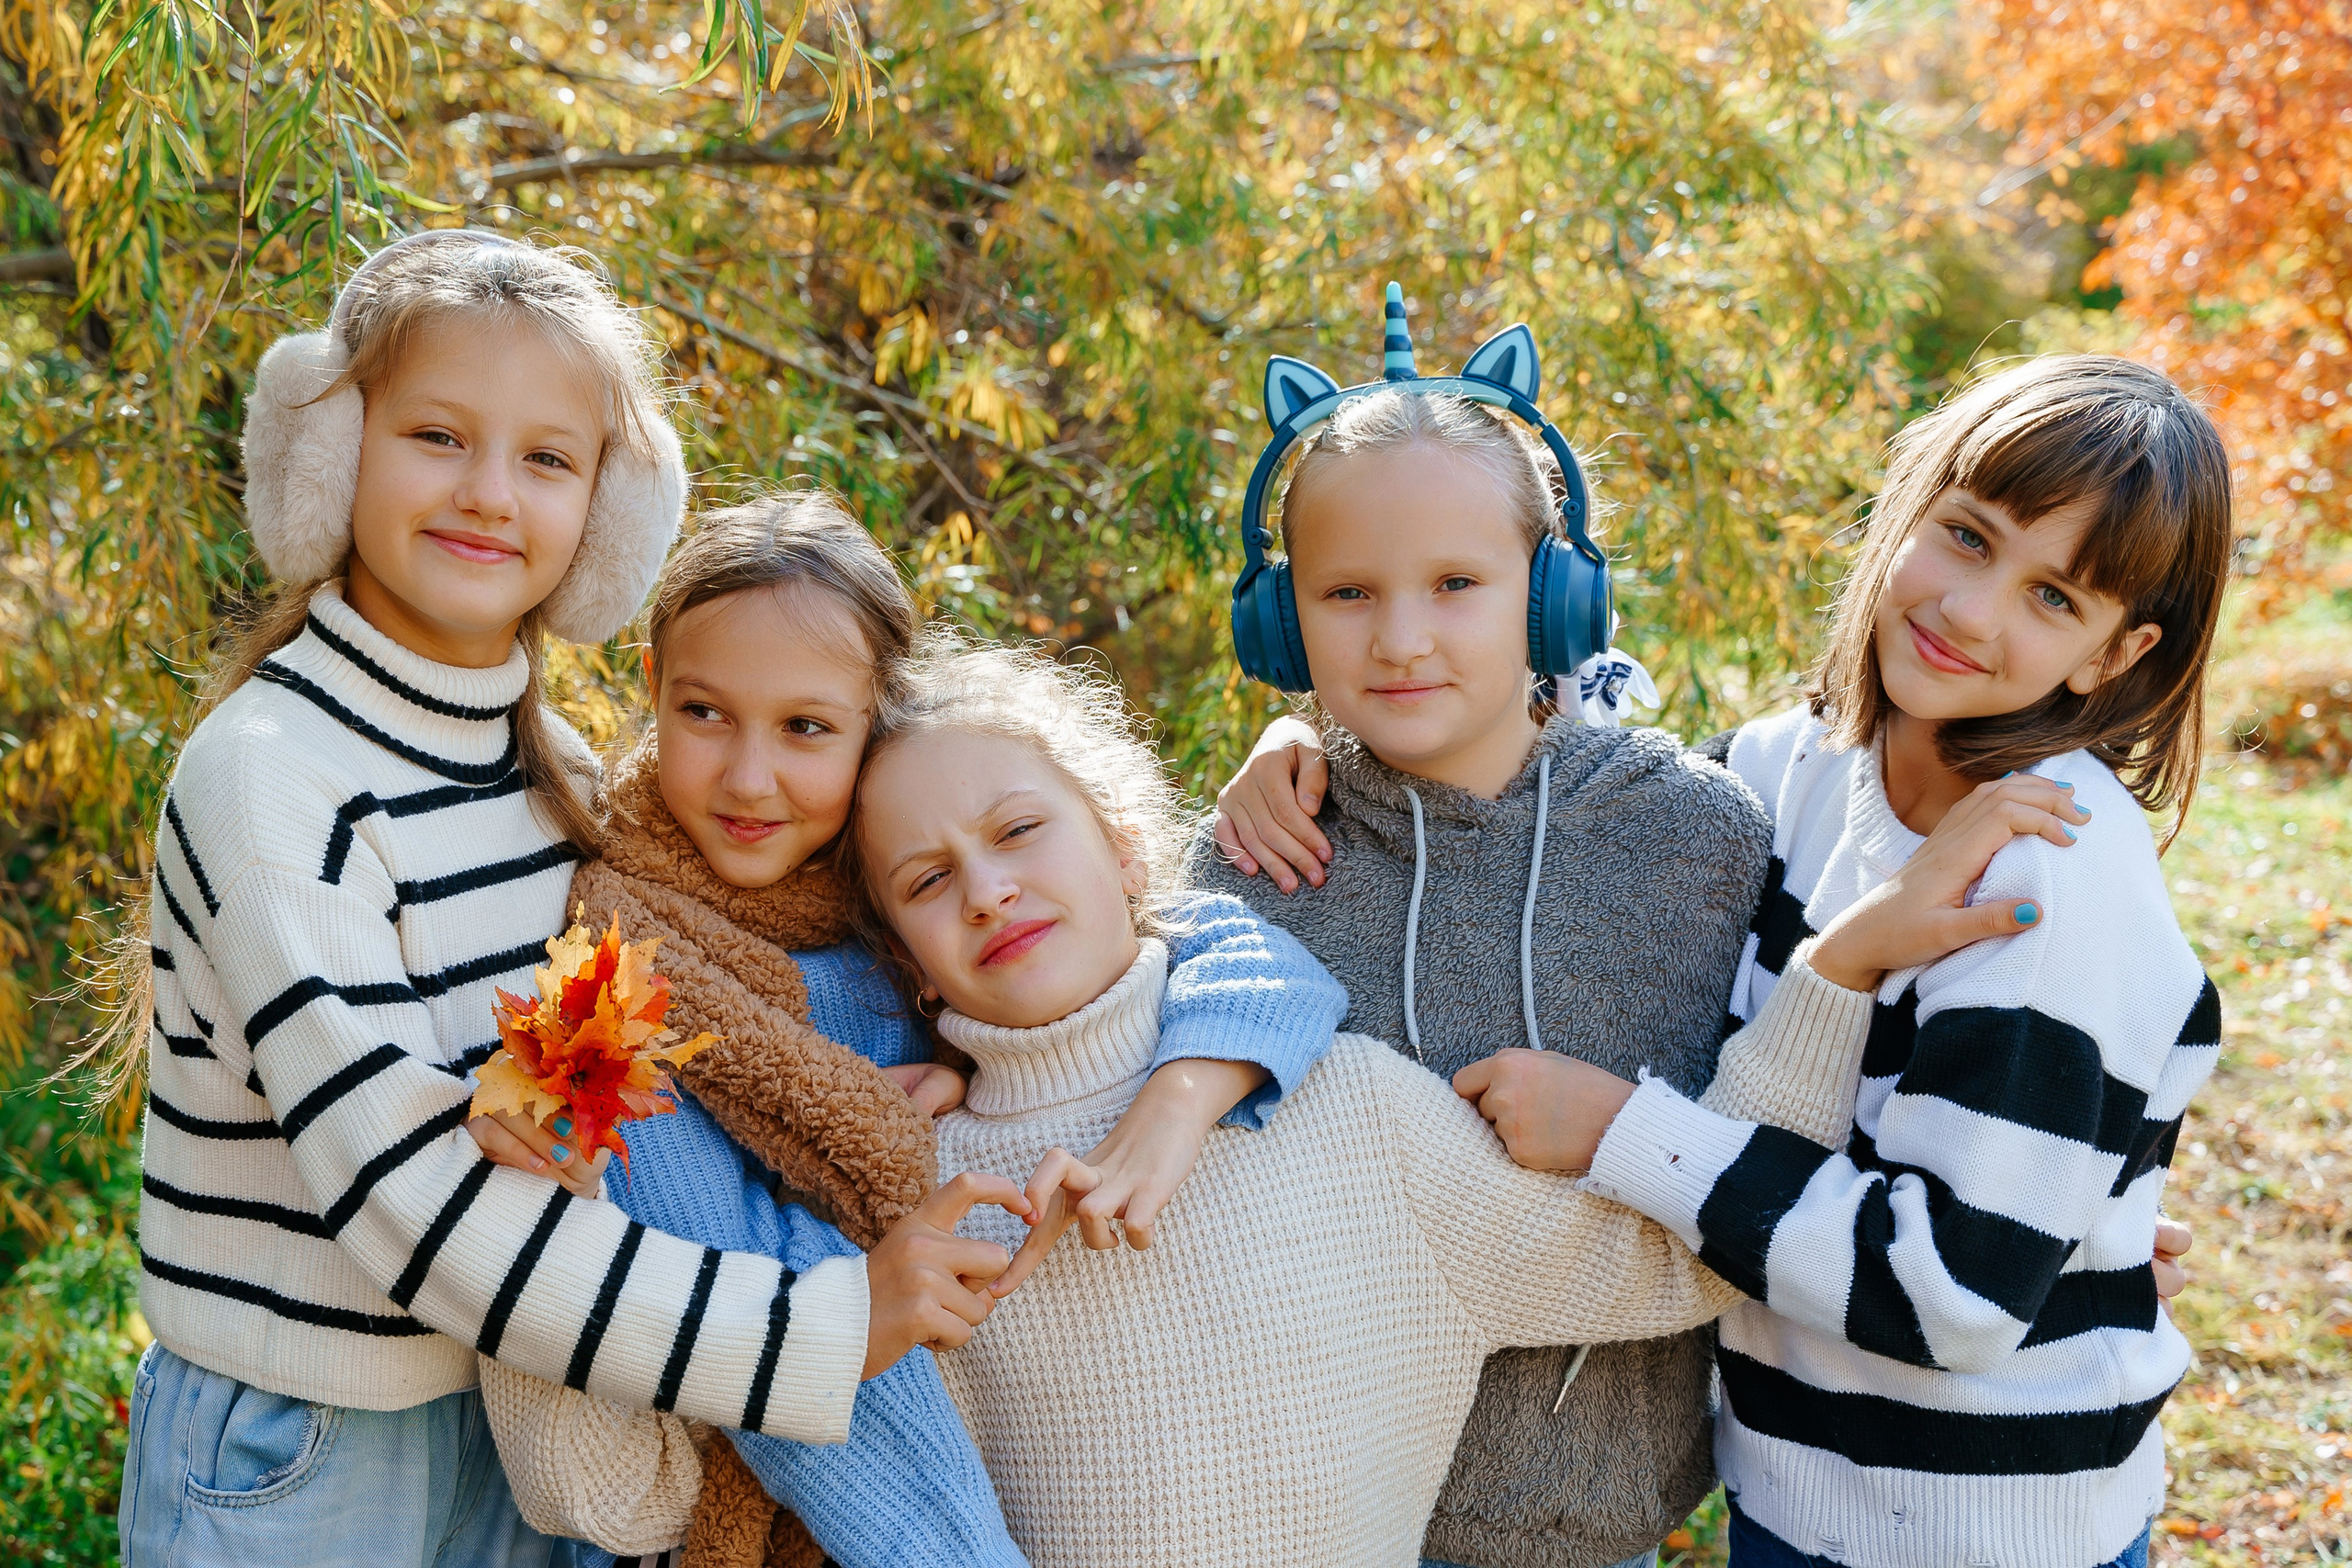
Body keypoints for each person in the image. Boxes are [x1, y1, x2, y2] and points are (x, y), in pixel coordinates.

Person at [483, 632, 2073, 1567]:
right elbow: (612, 1493)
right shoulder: (895, 1201)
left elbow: (1691, 1255)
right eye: (925, 874)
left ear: (1115, 842)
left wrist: (1836, 975)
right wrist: (538, 1213)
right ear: (896, 949)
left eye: (1020, 829)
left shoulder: (1353, 1117)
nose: (988, 886)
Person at [1222, 355, 2227, 1568]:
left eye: (2054, 597)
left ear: (2115, 657)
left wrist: (1619, 1132)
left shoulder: (2043, 875)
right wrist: (1316, 739)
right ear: (1905, 509)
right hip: (1792, 1495)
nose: (1972, 609)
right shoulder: (1790, 768)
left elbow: (1955, 1293)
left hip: (1985, 1528)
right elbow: (1566, 783)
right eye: (1966, 536)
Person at [115, 231, 1017, 1568]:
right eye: (437, 435)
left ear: (608, 509)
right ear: (332, 449)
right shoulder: (270, 776)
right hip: (314, 1443)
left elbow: (671, 1073)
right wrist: (830, 1324)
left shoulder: (573, 786)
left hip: (543, 1418)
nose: (490, 493)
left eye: (547, 457)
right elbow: (418, 1205)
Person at [471, 494, 1354, 1568]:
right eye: (706, 714)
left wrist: (1177, 1092)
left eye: (805, 728)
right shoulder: (618, 975)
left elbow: (1221, 942)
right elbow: (756, 1320)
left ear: (872, 723)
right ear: (653, 688)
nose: (751, 778)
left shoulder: (908, 904)